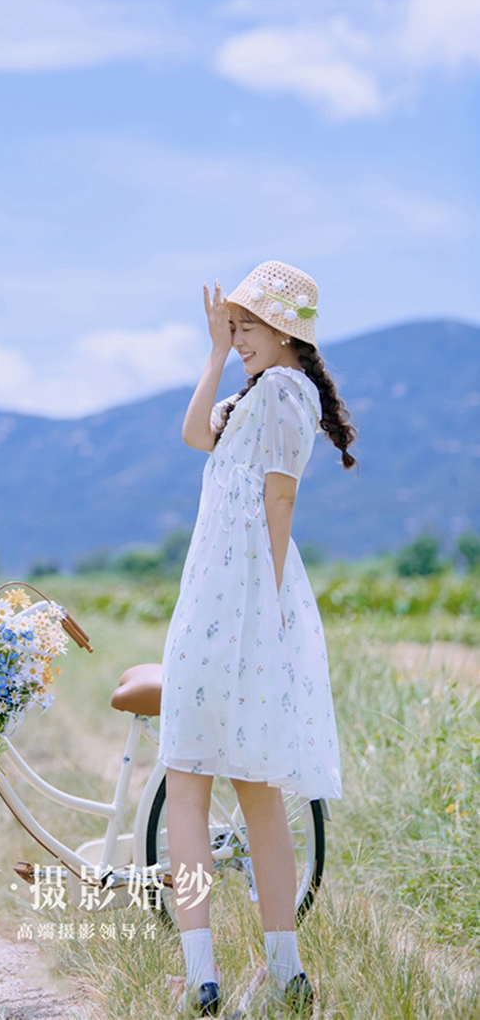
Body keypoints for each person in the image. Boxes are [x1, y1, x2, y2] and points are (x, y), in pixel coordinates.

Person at [158, 261, 356, 1017]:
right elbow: (191, 436)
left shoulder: (278, 392)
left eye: (245, 327)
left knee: (189, 779)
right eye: (233, 326)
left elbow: (280, 496)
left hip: (230, 594)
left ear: (284, 330)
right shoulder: (268, 390)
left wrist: (265, 601)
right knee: (256, 790)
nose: (236, 337)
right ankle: (284, 970)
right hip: (231, 592)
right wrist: (212, 354)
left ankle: (203, 973)